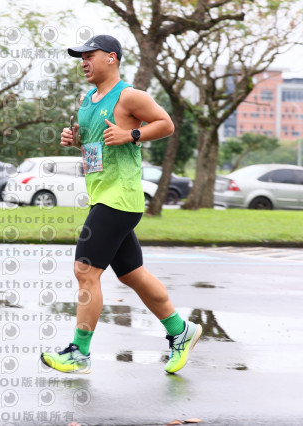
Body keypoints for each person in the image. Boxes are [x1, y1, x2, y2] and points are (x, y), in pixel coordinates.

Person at [40, 35, 202, 374]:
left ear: (111, 58)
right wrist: (76, 141)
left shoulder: (130, 96)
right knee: (132, 274)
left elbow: (166, 124)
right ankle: (181, 331)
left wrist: (132, 134)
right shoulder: (87, 100)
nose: (84, 62)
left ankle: (79, 352)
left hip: (120, 197)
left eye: (90, 55)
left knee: (85, 270)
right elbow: (96, 148)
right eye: (81, 57)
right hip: (102, 194)